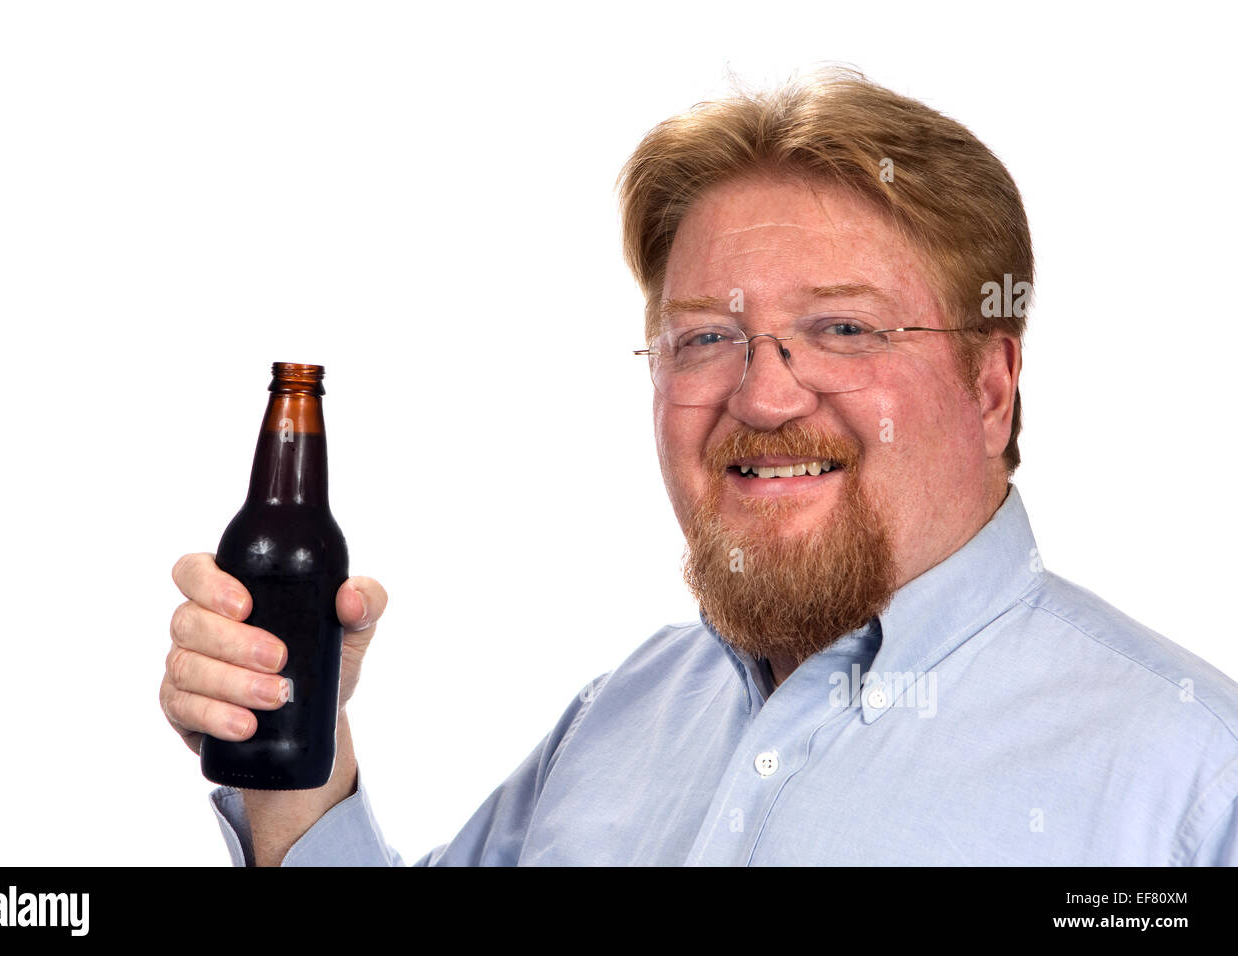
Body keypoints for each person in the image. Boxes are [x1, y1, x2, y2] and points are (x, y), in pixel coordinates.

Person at [162, 69, 1238, 865]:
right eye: (704, 338)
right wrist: (290, 734)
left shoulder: (1193, 774)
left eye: (845, 331)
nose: (765, 396)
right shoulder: (628, 710)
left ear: (989, 382)